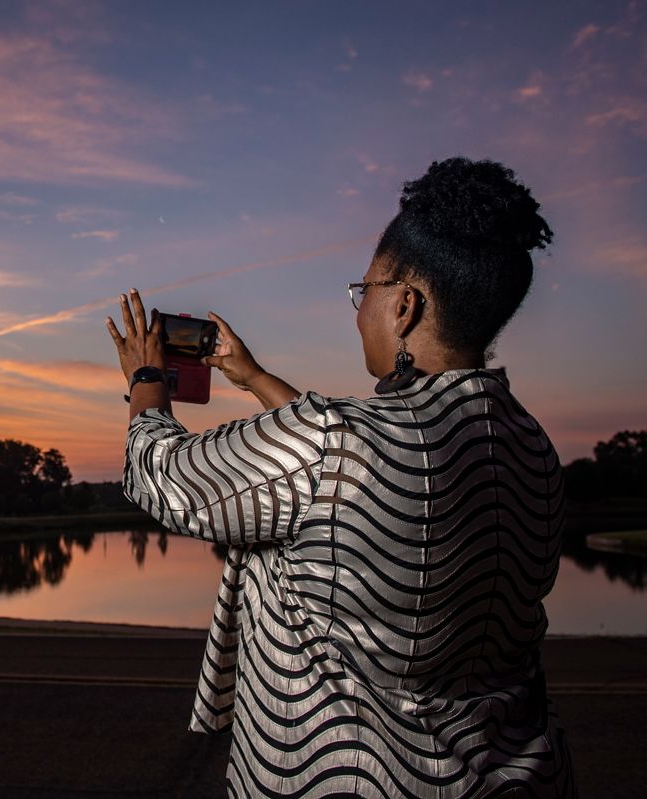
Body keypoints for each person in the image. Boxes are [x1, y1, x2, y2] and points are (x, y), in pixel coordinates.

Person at [106, 158, 573, 798]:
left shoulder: (333, 442)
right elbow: (354, 480)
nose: (359, 313)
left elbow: (159, 473)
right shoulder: (529, 446)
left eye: (366, 291)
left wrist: (145, 379)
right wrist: (253, 377)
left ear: (404, 304)